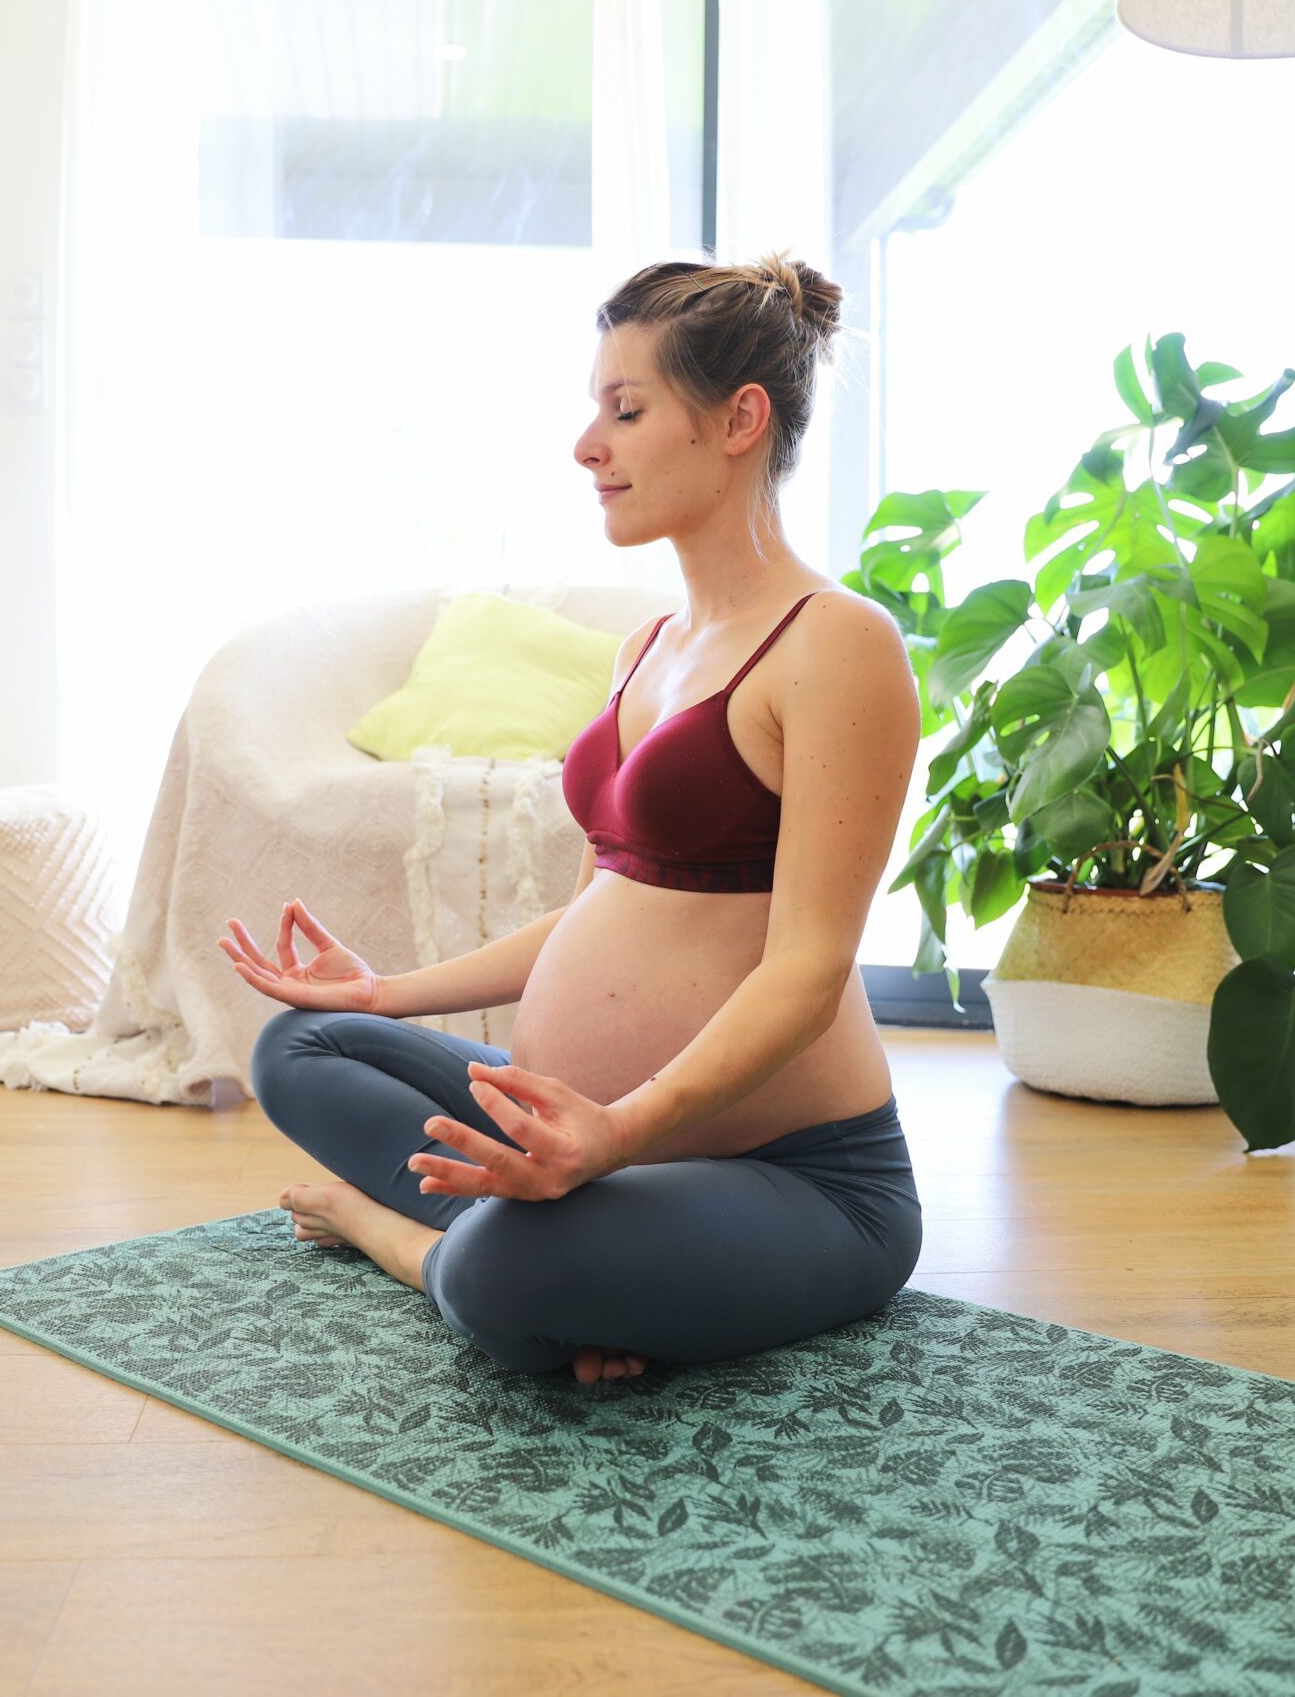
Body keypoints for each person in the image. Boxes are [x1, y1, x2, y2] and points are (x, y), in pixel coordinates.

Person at [223, 253, 924, 1384]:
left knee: (501, 1274)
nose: (586, 444)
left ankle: (397, 1237)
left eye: (626, 409)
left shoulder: (836, 645)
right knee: (302, 1045)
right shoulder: (646, 648)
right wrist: (382, 991)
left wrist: (618, 1133)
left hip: (797, 1178)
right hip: (584, 1138)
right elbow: (612, 911)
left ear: (739, 419)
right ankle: (564, 1249)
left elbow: (804, 972)